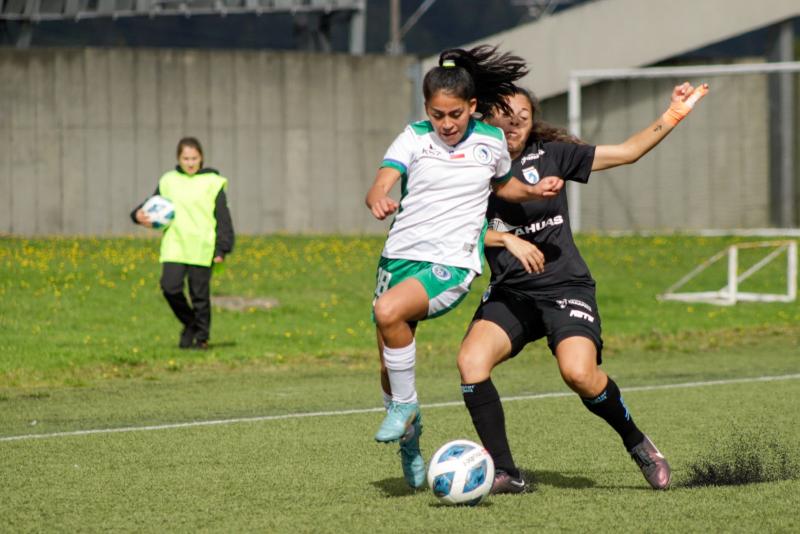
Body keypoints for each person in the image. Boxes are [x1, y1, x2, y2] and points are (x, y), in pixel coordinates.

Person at [458, 82, 709, 493]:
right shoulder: (470, 169)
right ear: (486, 121)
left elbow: (628, 152)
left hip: (563, 287)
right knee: (471, 363)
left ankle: (637, 443)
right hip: (511, 292)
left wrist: (674, 113)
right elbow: (455, 228)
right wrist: (505, 239)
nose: (514, 125)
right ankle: (507, 473)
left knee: (578, 373)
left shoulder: (553, 155)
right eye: (505, 118)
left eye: (522, 117)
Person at [365, 46, 565, 489]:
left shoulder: (490, 143)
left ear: (472, 107)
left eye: (455, 114)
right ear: (426, 110)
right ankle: (410, 442)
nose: (447, 123)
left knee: (387, 312)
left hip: (452, 261)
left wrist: (534, 192)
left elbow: (505, 186)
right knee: (388, 360)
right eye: (438, 115)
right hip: (399, 255)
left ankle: (404, 409)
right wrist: (379, 197)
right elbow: (382, 181)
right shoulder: (414, 137)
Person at [131, 137, 235, 350]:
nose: (190, 163)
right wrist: (136, 215)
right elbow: (152, 205)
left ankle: (201, 338)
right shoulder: (168, 181)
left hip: (202, 247)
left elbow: (223, 218)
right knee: (170, 288)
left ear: (201, 158)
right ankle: (190, 323)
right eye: (185, 158)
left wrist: (222, 248)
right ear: (178, 158)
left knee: (200, 296)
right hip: (175, 246)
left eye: (194, 158)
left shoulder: (212, 182)